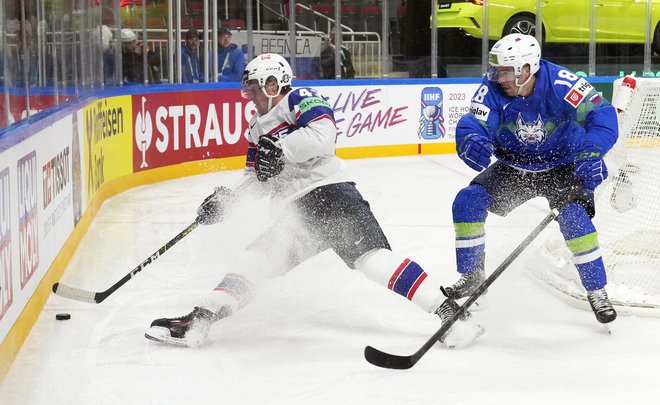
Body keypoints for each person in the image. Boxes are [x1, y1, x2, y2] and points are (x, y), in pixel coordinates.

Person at [145, 53, 484, 348]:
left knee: (372, 260)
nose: (249, 95)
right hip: (296, 211)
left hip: (330, 194)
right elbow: (257, 176)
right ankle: (199, 322)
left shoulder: (298, 98)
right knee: (257, 262)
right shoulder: (256, 127)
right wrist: (231, 200)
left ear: (273, 84)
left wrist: (282, 151)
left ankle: (452, 314)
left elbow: (324, 136)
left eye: (253, 87)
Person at [444, 34, 619, 324]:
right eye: (496, 70)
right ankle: (472, 277)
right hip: (515, 166)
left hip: (563, 165)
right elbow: (475, 120)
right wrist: (471, 137)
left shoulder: (562, 83)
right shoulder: (492, 89)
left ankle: (597, 290)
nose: (499, 78)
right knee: (467, 201)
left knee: (575, 218)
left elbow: (601, 113)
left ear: (528, 68)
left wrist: (591, 153)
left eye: (506, 72)